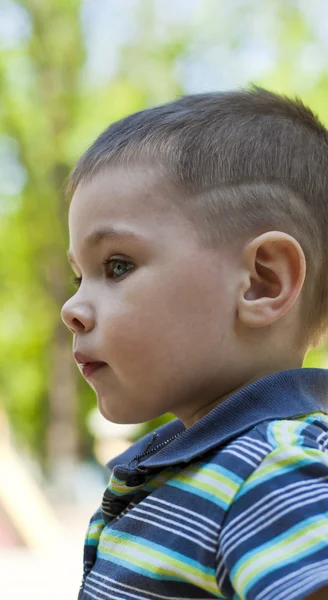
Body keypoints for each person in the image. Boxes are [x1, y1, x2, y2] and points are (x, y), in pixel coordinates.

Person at [61, 87, 328, 600]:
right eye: (79, 278)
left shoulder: (274, 473)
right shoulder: (196, 465)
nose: (72, 309)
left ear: (261, 282)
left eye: (117, 266)